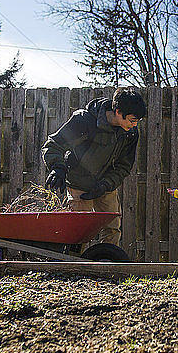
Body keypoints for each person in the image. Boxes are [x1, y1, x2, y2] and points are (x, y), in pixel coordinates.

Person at [42, 87, 146, 247]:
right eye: (132, 120)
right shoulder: (84, 121)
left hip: (105, 184)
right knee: (79, 231)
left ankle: (107, 265)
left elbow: (123, 166)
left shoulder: (130, 133)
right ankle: (76, 269)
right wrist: (58, 168)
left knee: (112, 228)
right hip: (78, 184)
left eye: (137, 122)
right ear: (118, 111)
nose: (134, 125)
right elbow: (53, 144)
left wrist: (106, 185)